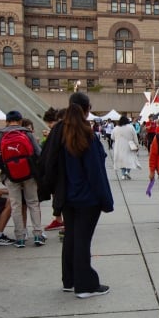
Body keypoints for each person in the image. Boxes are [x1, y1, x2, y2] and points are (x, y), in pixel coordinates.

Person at [40, 92, 114, 298]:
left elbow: (46, 161)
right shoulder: (85, 133)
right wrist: (105, 200)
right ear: (87, 109)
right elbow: (95, 171)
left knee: (72, 237)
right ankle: (85, 285)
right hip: (86, 197)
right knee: (82, 239)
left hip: (65, 195)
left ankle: (70, 280)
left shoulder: (57, 132)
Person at [0, 110, 44, 248]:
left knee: (16, 205)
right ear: (20, 120)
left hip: (10, 174)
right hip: (29, 173)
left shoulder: (1, 134)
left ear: (7, 121)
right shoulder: (26, 132)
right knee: (33, 203)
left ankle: (20, 238)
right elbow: (38, 152)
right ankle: (38, 235)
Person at [112, 115, 140, 180]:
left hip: (118, 146)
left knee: (121, 160)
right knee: (130, 159)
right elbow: (135, 136)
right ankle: (127, 171)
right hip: (129, 145)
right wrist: (137, 144)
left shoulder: (116, 128)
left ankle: (123, 173)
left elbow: (112, 137)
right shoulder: (130, 127)